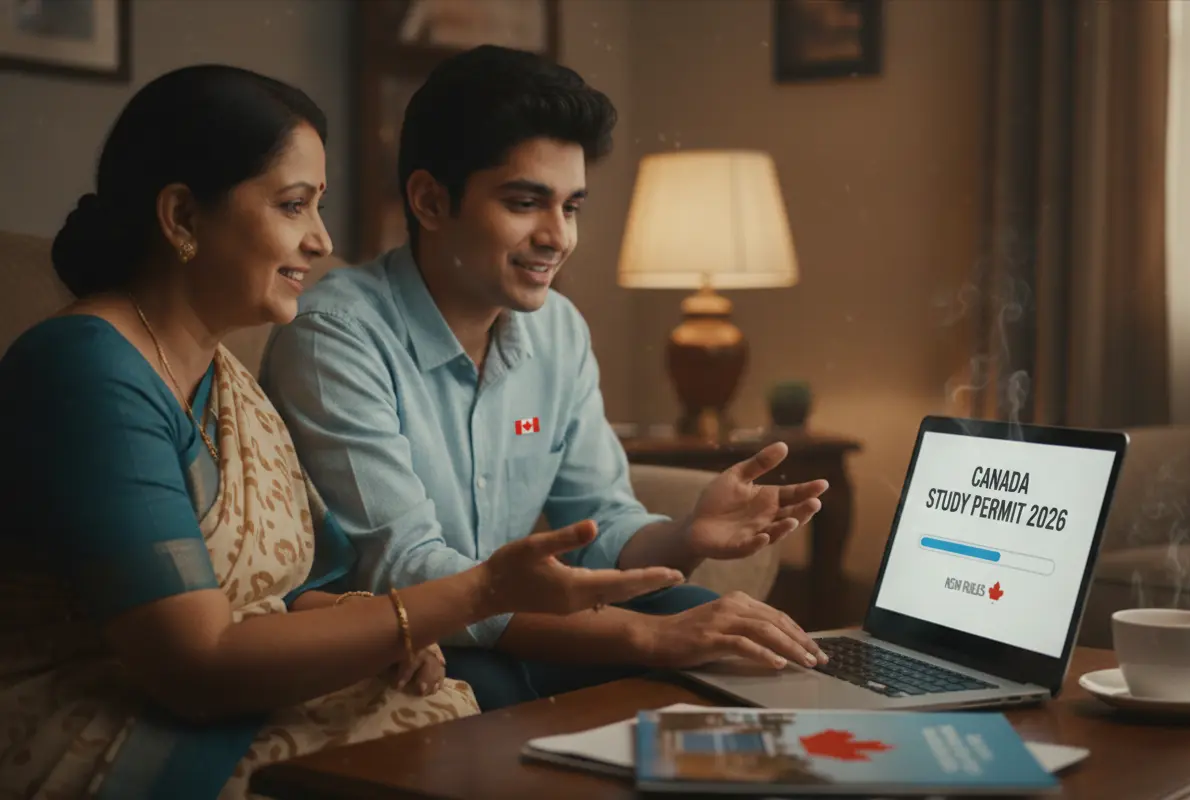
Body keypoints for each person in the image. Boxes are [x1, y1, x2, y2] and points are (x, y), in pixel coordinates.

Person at [0, 64, 686, 800]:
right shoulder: (84, 369)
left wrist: (390, 636)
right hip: (112, 726)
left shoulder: (221, 375)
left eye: (318, 206)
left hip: (252, 693)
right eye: (294, 205)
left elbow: (300, 591)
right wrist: (472, 593)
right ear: (182, 218)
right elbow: (193, 667)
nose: (323, 241)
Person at [259, 44, 832, 713]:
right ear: (430, 200)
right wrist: (644, 638)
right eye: (527, 202)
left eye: (572, 207)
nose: (558, 237)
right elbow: (405, 569)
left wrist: (686, 535)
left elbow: (602, 516)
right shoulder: (336, 334)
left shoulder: (556, 328)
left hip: (526, 626)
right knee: (535, 684)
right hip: (413, 639)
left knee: (725, 630)